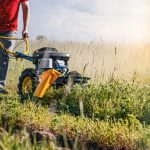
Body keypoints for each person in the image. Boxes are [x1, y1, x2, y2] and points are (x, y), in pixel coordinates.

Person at [0, 0, 30, 94]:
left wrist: (25, 28)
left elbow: (25, 6)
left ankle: (0, 86)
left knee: (5, 56)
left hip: (9, 29)